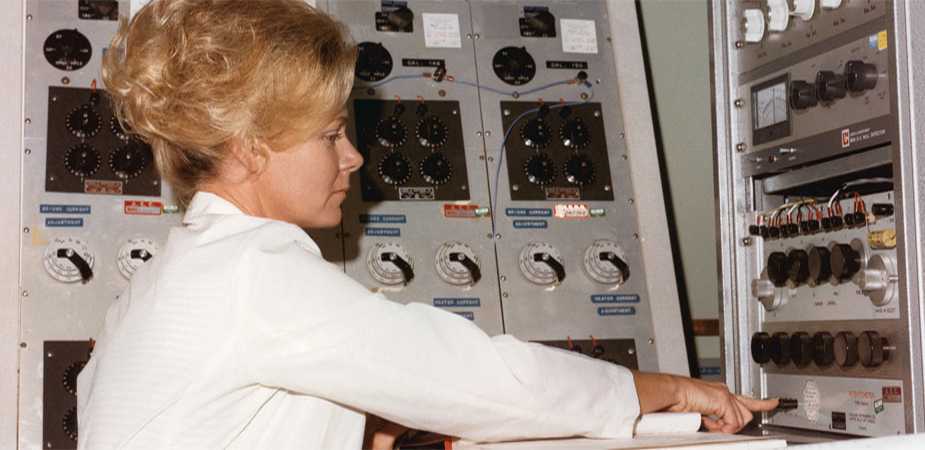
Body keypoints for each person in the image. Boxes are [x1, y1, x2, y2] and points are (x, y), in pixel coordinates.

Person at [75, 1, 778, 448]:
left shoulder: (174, 274)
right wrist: (676, 387)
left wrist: (366, 424)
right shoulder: (253, 273)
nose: (352, 156)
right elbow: (494, 384)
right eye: (327, 136)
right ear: (250, 147)